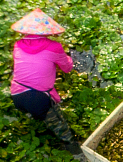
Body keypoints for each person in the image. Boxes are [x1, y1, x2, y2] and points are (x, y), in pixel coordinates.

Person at [7, 9, 77, 143]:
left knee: (38, 113)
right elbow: (67, 68)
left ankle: (37, 116)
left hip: (16, 94)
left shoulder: (17, 45)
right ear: (47, 31)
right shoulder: (54, 46)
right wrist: (67, 59)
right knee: (59, 126)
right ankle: (72, 147)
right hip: (37, 98)